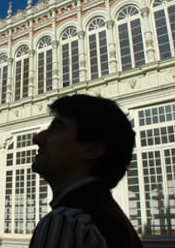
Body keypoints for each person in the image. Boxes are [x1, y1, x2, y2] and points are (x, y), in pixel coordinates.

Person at [29, 94, 143, 248]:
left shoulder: (67, 221)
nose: (38, 138)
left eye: (56, 129)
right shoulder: (111, 218)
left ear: (91, 149)